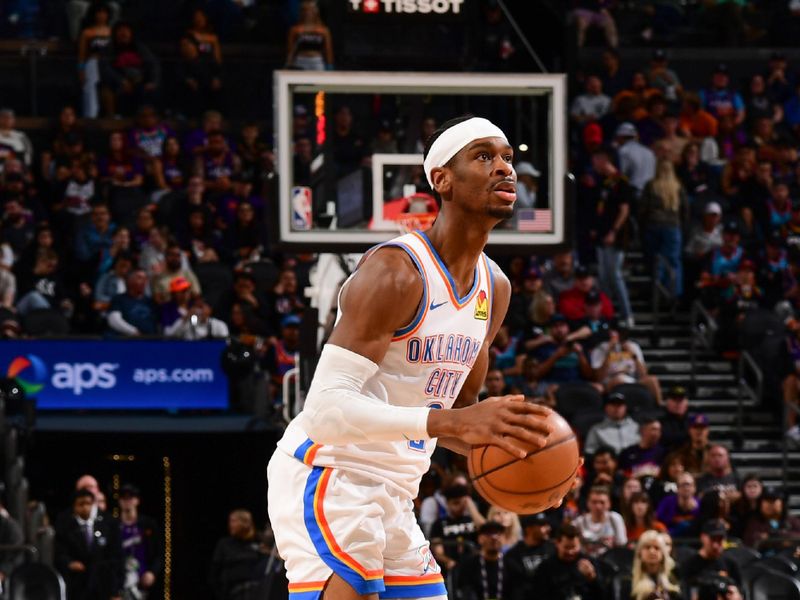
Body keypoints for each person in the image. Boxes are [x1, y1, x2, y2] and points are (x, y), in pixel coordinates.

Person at [266, 116, 559, 600]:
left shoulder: (496, 288)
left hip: (398, 489)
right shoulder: (395, 272)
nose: (504, 168)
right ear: (441, 179)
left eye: (507, 157)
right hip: (329, 473)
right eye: (484, 156)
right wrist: (454, 427)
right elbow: (323, 413)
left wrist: (530, 461)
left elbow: (462, 421)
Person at [588, 147, 634, 326]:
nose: (594, 165)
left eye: (596, 160)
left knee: (615, 275)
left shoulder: (622, 182)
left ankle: (627, 315)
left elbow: (624, 210)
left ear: (604, 159)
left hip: (615, 237)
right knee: (603, 276)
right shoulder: (604, 182)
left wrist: (613, 231)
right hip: (601, 234)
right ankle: (607, 314)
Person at [55, 488, 124, 600]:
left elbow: (117, 558)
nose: (85, 507)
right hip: (76, 587)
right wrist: (69, 563)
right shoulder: (64, 525)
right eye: (81, 504)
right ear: (74, 506)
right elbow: (58, 552)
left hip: (104, 586)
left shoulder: (109, 523)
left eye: (88, 503)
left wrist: (116, 590)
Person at [640, 159, 690, 297]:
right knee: (673, 261)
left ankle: (657, 292)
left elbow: (643, 208)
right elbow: (685, 210)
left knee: (656, 260)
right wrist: (682, 226)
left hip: (653, 226)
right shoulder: (678, 186)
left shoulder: (651, 185)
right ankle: (674, 294)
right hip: (673, 227)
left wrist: (643, 225)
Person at [530, 523, 604, 600]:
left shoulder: (589, 563)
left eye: (573, 547)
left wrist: (592, 578)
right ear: (557, 543)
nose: (570, 552)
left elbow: (603, 594)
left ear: (579, 545)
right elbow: (538, 595)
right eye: (566, 547)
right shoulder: (546, 567)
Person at [209, 509, 268, 600]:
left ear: (245, 523)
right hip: (232, 595)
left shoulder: (259, 543)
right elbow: (214, 573)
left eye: (233, 521)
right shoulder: (224, 544)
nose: (230, 525)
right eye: (230, 521)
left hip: (256, 594)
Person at [429, 483, 485, 576]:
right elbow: (438, 551)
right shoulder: (439, 523)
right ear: (447, 503)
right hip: (451, 568)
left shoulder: (472, 520)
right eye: (455, 503)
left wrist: (471, 506)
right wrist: (447, 561)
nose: (460, 506)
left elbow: (485, 529)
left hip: (475, 566)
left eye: (462, 503)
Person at [118, 483, 161, 599]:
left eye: (130, 497)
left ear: (137, 500)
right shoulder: (113, 526)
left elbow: (158, 553)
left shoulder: (148, 524)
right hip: (120, 584)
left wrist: (152, 572)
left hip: (144, 583)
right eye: (123, 498)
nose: (127, 501)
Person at [503, 513, 554, 600]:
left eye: (547, 524)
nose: (548, 528)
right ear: (529, 529)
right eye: (542, 525)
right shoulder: (513, 555)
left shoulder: (553, 549)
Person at [680, 519, 742, 587]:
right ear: (703, 537)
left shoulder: (730, 564)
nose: (715, 545)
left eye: (720, 540)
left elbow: (741, 591)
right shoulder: (689, 564)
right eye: (713, 539)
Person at [76, 2, 112, 118]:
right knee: (90, 88)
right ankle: (90, 115)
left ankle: (110, 113)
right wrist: (81, 70)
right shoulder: (87, 33)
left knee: (109, 88)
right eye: (99, 12)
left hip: (109, 64)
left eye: (104, 12)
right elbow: (82, 54)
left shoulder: (112, 32)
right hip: (93, 63)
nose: (101, 15)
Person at [455, 521, 505, 600]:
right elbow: (465, 592)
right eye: (489, 534)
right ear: (480, 538)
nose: (494, 537)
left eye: (498, 533)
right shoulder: (468, 565)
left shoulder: (511, 563)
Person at [572, 485, 627, 558]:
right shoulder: (579, 522)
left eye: (602, 502)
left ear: (609, 504)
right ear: (588, 503)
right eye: (594, 502)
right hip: (586, 561)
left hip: (609, 562)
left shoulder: (614, 519)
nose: (598, 506)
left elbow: (622, 544)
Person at [742, 485, 800, 551]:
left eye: (773, 500)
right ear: (760, 504)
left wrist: (779, 535)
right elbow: (748, 542)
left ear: (782, 504)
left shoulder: (792, 521)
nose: (770, 504)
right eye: (766, 501)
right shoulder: (754, 523)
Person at [583, 391, 641, 456]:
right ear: (606, 408)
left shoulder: (637, 427)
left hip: (635, 463)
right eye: (613, 404)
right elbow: (589, 452)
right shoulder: (596, 429)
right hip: (609, 464)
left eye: (620, 404)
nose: (616, 408)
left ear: (625, 408)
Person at [630, 529, 682, 600]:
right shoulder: (629, 581)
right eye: (647, 547)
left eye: (657, 548)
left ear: (663, 555)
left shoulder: (673, 580)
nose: (652, 551)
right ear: (639, 553)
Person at [106, 268, 158, 336]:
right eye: (139, 278)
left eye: (145, 278)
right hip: (127, 341)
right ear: (129, 280)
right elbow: (113, 320)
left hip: (151, 342)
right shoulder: (119, 299)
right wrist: (133, 332)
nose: (144, 281)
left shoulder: (150, 301)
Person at [286, 0, 334, 71]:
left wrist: (330, 65)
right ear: (301, 12)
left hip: (317, 61)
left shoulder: (323, 30)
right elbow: (290, 50)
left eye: (310, 10)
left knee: (318, 81)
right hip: (300, 61)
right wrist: (289, 63)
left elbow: (328, 50)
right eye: (305, 10)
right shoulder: (295, 30)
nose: (308, 13)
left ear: (316, 12)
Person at [656, 472, 700, 538]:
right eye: (683, 485)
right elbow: (657, 519)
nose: (686, 488)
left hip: (693, 541)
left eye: (688, 485)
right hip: (669, 538)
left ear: (694, 488)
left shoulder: (700, 505)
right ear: (677, 488)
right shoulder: (667, 501)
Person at [660, 386, 691, 451]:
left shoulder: (693, 422)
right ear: (667, 402)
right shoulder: (659, 423)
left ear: (686, 403)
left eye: (681, 400)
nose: (678, 403)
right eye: (674, 399)